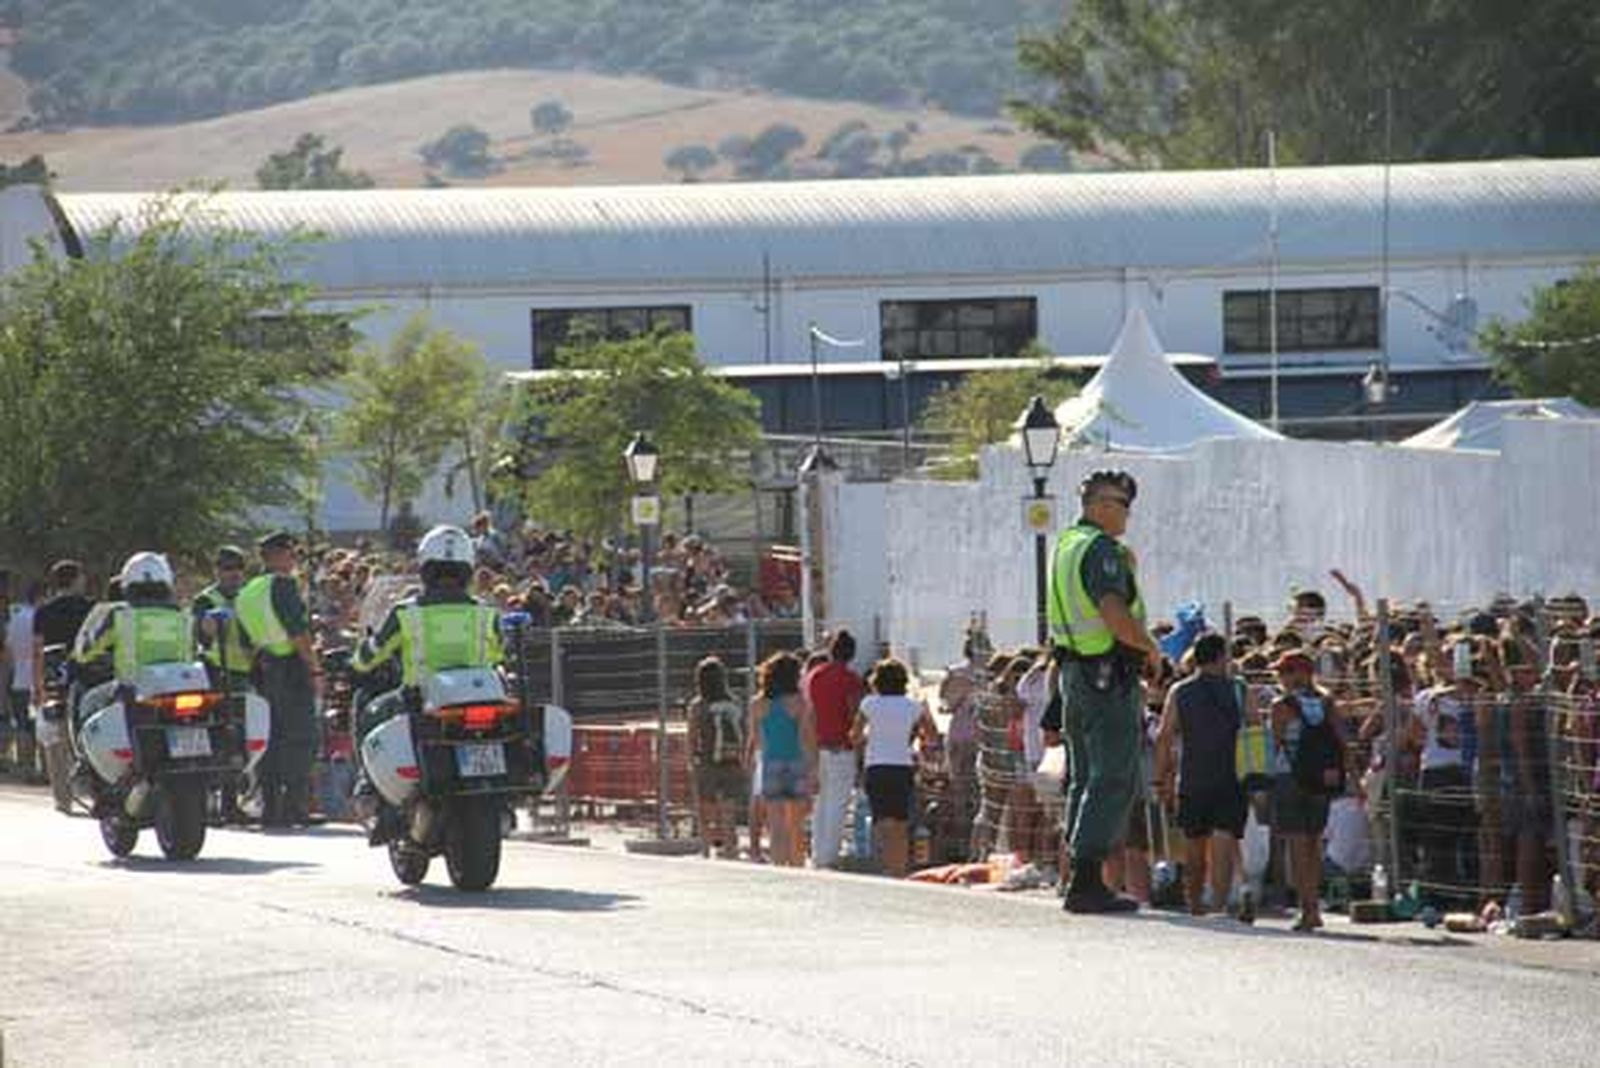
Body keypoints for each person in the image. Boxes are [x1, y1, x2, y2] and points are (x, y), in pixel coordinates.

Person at [1048, 469, 1162, 914]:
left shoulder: (1066, 544)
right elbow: (1114, 611)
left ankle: (1080, 873)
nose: (1126, 514)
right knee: (1113, 774)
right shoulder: (1100, 550)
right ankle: (1087, 879)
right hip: (1106, 675)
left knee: (1083, 778)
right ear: (1096, 504)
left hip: (1076, 674)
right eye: (1120, 503)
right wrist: (1151, 650)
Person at [350, 524, 502, 843]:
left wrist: (354, 660)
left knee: (370, 711)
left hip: (419, 699)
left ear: (425, 568)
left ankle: (369, 789)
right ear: (468, 568)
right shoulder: (486, 612)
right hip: (478, 698)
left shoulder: (406, 612)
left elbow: (370, 656)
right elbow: (500, 650)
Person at [70, 554, 193, 812]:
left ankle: (88, 766)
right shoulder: (183, 615)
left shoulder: (117, 614)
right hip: (179, 689)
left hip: (133, 689)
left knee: (88, 701)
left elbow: (84, 651)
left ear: (128, 583)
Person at [1155, 634, 1248, 916]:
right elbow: (1255, 730)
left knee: (1194, 843)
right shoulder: (1240, 689)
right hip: (1231, 777)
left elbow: (1164, 736)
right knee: (1223, 838)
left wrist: (1161, 779)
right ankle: (1218, 903)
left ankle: (1194, 902)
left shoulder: (1180, 691)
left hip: (1193, 777)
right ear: (1222, 656)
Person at [236, 530, 323, 827]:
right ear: (277, 555)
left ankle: (270, 807)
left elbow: (245, 642)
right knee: (300, 737)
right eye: (291, 553)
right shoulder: (283, 585)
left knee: (269, 739)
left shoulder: (248, 591)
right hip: (290, 668)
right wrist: (315, 670)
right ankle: (295, 806)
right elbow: (298, 632)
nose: (294, 559)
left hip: (263, 669)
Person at [1268, 650, 1345, 931]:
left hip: (1290, 779)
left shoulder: (1281, 706)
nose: (1281, 678)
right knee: (1314, 844)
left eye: (1284, 672)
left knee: (1297, 846)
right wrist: (1352, 779)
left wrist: (1262, 783)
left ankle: (1308, 909)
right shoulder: (1327, 703)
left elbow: (1273, 747)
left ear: (1294, 675)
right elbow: (1342, 742)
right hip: (1321, 781)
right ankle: (1314, 905)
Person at [852, 657, 938, 877]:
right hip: (902, 766)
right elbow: (932, 734)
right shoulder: (913, 706)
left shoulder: (869, 704)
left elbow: (855, 736)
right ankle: (899, 869)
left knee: (881, 821)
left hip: (876, 766)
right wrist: (916, 735)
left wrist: (869, 739)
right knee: (900, 822)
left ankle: (886, 865)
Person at [745, 651, 816, 868]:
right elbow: (807, 738)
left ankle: (779, 866)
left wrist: (752, 758)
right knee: (796, 823)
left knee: (776, 823)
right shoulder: (800, 702)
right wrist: (813, 768)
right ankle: (796, 864)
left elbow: (755, 738)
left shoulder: (757, 703)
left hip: (771, 763)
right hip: (795, 762)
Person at [804, 629, 866, 868]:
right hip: (842, 747)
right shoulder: (851, 680)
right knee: (838, 804)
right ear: (851, 653)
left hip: (819, 747)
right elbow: (854, 716)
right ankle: (829, 856)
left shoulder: (816, 676)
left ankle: (818, 853)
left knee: (821, 803)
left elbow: (810, 716)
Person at [687, 655, 744, 859]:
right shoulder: (734, 702)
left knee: (705, 809)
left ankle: (705, 850)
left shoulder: (697, 706)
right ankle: (731, 848)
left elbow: (692, 737)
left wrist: (691, 761)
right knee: (728, 809)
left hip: (707, 762)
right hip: (731, 761)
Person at [191, 546, 254, 693]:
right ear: (217, 571)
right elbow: (201, 639)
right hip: (218, 672)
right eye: (229, 568)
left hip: (250, 671)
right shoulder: (205, 599)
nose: (235, 573)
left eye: (240, 567)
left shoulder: (249, 597)